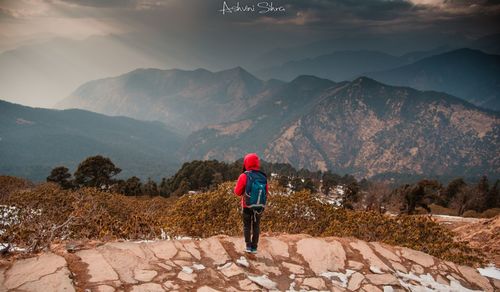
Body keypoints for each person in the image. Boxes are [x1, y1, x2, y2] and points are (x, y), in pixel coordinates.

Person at [234, 153, 268, 254]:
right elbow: (266, 192)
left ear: (246, 163)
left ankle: (248, 246)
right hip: (259, 206)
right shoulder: (263, 176)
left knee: (247, 226)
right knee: (256, 226)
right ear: (257, 163)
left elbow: (238, 192)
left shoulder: (244, 176)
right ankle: (254, 248)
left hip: (247, 205)